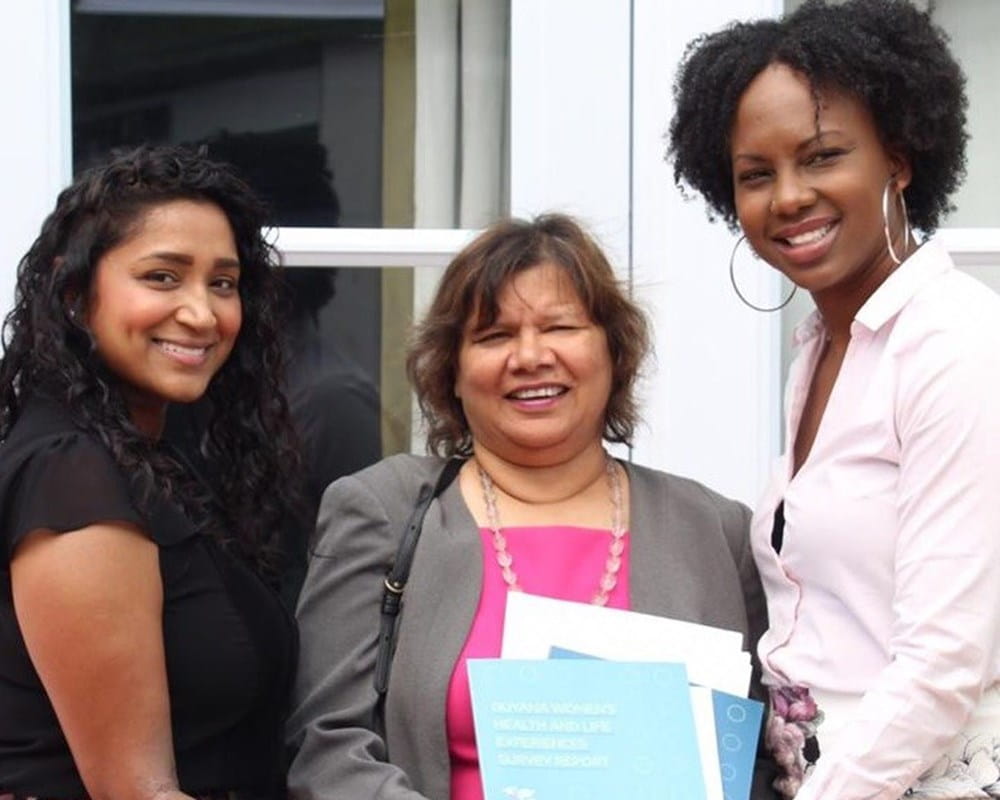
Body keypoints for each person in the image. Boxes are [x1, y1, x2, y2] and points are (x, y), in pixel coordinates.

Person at [286, 213, 776, 800]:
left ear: (614, 353)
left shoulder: (715, 531)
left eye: (561, 327)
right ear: (453, 372)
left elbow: (763, 760)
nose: (530, 356)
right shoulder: (382, 512)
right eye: (494, 336)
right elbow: (328, 748)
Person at [668, 1, 1000, 799]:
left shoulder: (956, 343)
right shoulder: (823, 346)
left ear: (901, 156)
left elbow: (942, 664)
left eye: (822, 156)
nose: (788, 197)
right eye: (756, 174)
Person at [0, 145, 301, 799]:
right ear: (75, 293)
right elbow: (137, 792)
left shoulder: (145, 458)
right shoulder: (72, 477)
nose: (202, 313)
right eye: (163, 277)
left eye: (222, 283)